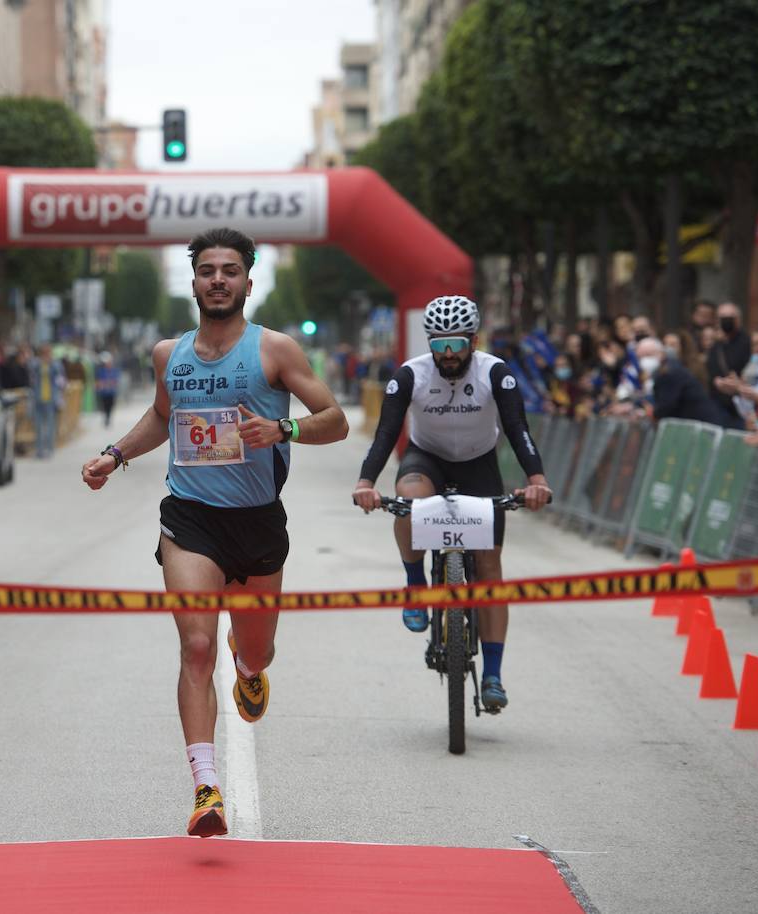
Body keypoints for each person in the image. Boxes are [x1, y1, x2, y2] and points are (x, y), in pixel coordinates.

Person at [81, 227, 348, 838]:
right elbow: (161, 416)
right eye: (207, 270)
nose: (218, 279)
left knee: (253, 650)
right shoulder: (167, 354)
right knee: (196, 647)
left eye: (230, 270)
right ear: (194, 282)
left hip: (257, 524)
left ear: (248, 282)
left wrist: (285, 432)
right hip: (190, 518)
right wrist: (114, 454)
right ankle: (206, 789)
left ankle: (249, 666)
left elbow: (333, 419)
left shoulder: (274, 350)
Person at [353, 295, 552, 715]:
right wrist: (366, 482)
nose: (447, 355)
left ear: (473, 341)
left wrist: (536, 480)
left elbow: (518, 429)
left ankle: (494, 675)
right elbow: (387, 433)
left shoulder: (495, 372)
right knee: (407, 499)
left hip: (480, 464)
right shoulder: (411, 374)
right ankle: (414, 584)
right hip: (428, 459)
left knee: (490, 568)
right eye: (439, 345)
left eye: (456, 345)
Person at [633, 337, 736, 428]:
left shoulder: (669, 372)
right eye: (640, 357)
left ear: (661, 353)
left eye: (648, 355)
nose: (644, 360)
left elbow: (666, 406)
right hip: (695, 426)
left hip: (703, 426)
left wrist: (647, 413)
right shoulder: (664, 371)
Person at [707, 302, 751, 427]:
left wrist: (738, 384)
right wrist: (716, 382)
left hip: (741, 404)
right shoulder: (716, 345)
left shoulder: (747, 343)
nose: (727, 321)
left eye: (730, 318)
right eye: (723, 318)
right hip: (718, 404)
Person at [30, 343, 68, 459]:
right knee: (39, 426)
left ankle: (50, 449)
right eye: (44, 353)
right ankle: (40, 450)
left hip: (52, 399)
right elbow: (31, 372)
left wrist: (51, 363)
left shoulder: (55, 364)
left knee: (51, 425)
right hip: (38, 398)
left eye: (48, 352)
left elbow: (61, 378)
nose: (46, 355)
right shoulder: (36, 363)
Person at [94, 351, 120, 428]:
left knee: (110, 405)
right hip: (104, 392)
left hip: (111, 392)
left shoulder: (114, 370)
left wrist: (111, 384)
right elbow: (98, 381)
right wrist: (100, 385)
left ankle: (108, 417)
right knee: (104, 406)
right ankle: (106, 418)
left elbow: (116, 381)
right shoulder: (101, 371)